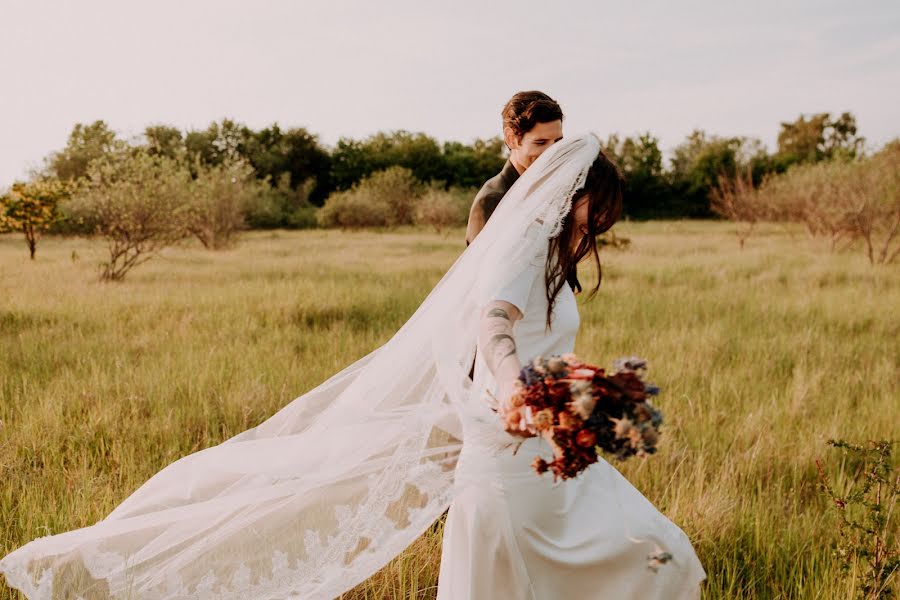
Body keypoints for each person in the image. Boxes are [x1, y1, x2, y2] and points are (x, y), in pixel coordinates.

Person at [0, 135, 704, 599]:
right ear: (568, 194)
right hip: (511, 455)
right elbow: (492, 325)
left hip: (547, 455)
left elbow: (535, 340)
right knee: (628, 565)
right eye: (595, 210)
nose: (598, 226)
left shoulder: (554, 258)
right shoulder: (520, 250)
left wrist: (581, 392)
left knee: (660, 559)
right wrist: (515, 387)